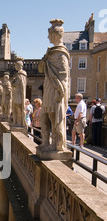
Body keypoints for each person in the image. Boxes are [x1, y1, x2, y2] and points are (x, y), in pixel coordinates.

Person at [37, 19, 70, 152]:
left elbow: (63, 75)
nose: (48, 37)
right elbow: (40, 69)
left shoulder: (61, 53)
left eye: (49, 34)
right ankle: (45, 142)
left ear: (55, 35)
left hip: (56, 90)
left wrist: (60, 92)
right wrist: (45, 59)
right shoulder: (51, 52)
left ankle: (56, 144)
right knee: (43, 116)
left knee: (53, 117)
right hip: (49, 87)